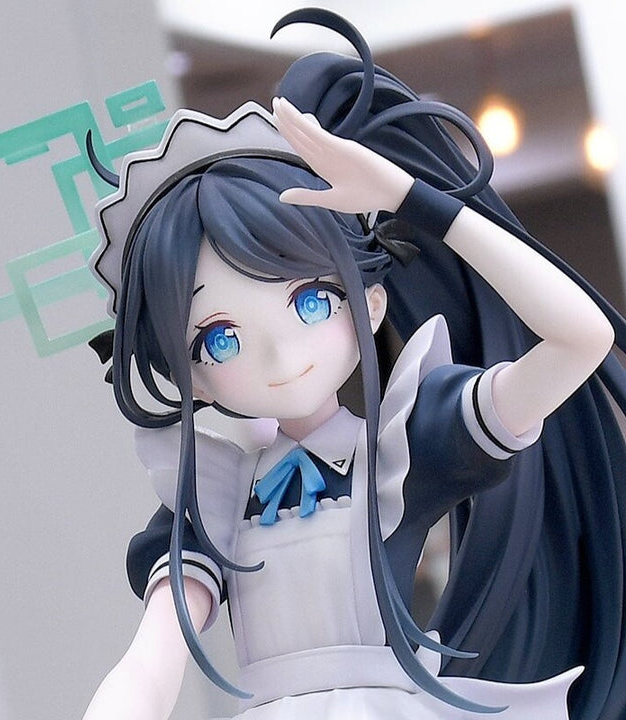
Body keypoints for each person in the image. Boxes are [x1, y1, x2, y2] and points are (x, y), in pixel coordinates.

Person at [83, 9, 626, 720]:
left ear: (370, 304)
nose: (279, 354)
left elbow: (579, 339)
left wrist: (414, 200)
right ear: (192, 377)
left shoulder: (406, 444)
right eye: (219, 340)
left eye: (311, 302)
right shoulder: (213, 493)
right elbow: (151, 662)